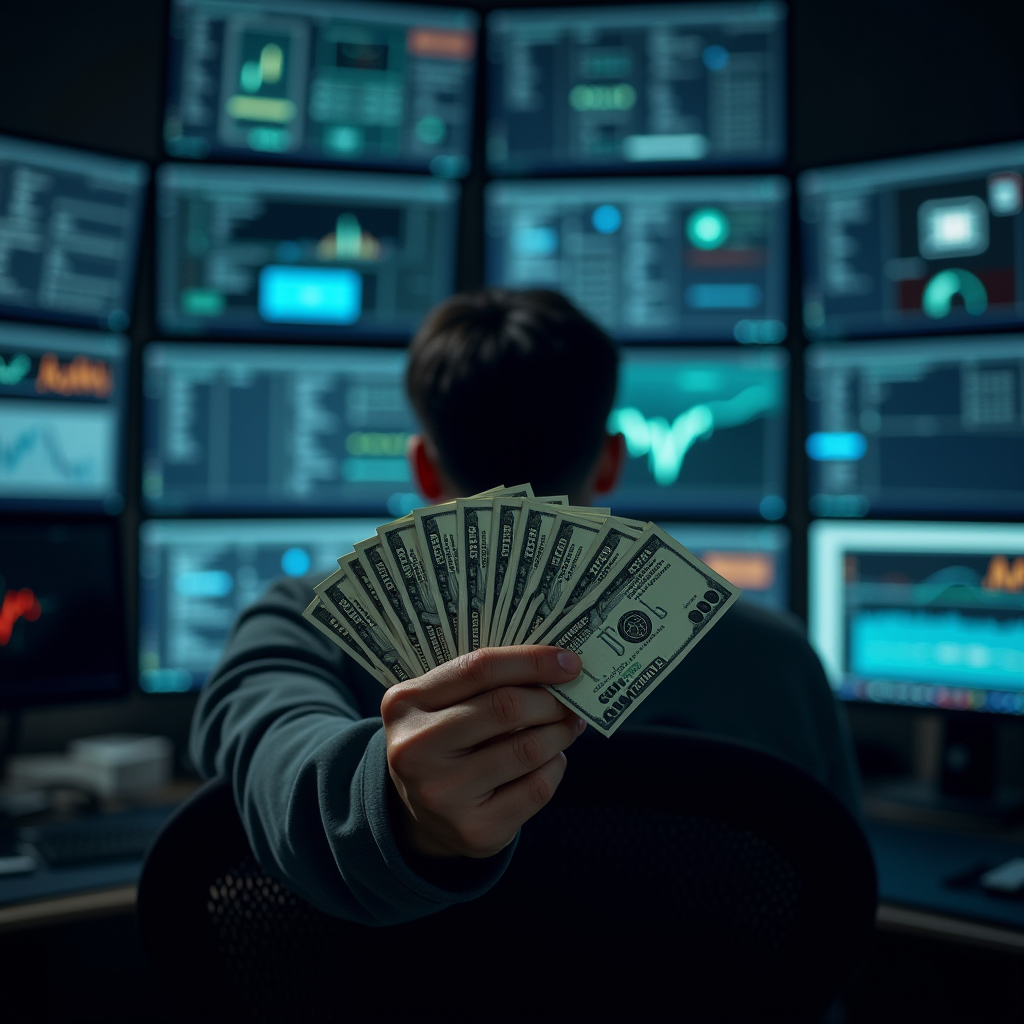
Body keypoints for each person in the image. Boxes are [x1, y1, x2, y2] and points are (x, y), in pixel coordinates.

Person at [190, 288, 861, 926]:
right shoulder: (781, 660)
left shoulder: (306, 627)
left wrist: (392, 809)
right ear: (610, 461)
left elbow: (268, 749)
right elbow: (838, 914)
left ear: (423, 467)